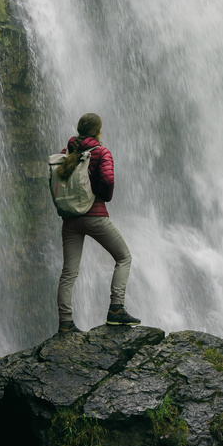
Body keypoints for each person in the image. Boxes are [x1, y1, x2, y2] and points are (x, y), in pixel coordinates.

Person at [55, 112, 140, 333]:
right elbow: (108, 180)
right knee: (124, 257)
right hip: (95, 217)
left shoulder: (66, 152)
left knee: (69, 272)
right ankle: (116, 309)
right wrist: (102, 196)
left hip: (70, 220)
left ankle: (65, 322)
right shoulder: (101, 152)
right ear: (98, 131)